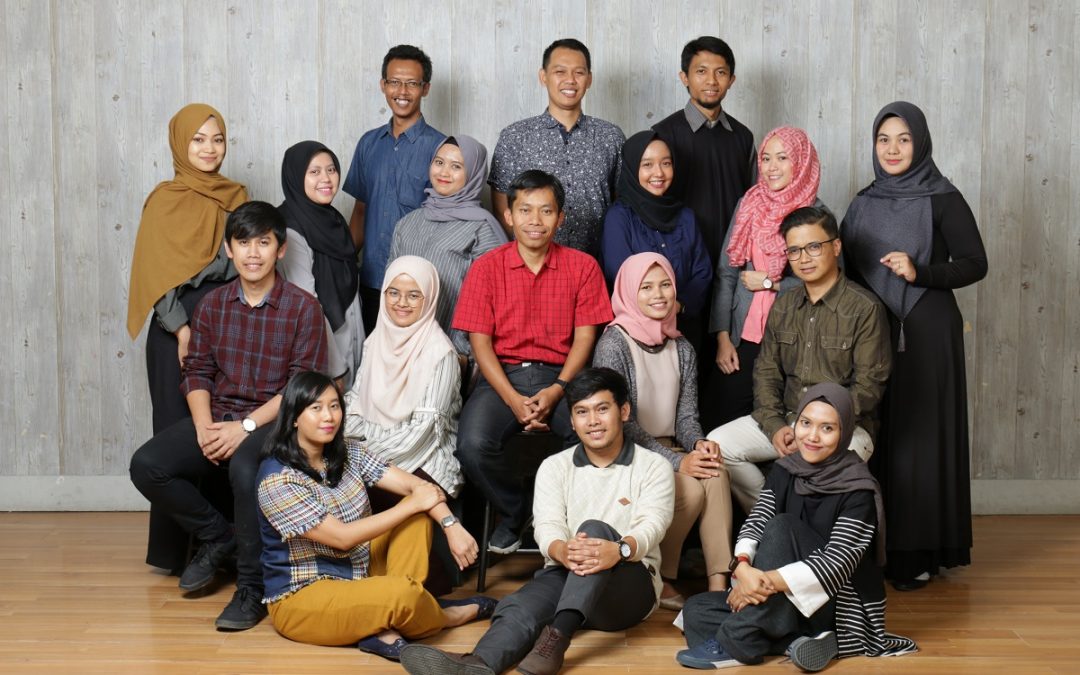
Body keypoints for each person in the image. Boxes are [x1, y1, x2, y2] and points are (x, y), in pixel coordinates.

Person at [129, 201, 329, 631]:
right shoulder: (213, 305)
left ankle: (252, 589)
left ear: (280, 249)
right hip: (219, 415)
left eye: (263, 243)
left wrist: (247, 427)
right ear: (228, 249)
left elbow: (300, 388)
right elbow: (197, 370)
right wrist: (204, 427)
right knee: (147, 465)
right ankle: (221, 538)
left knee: (243, 468)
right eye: (243, 243)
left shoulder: (304, 309)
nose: (253, 253)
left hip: (275, 423)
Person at [400, 368, 675, 675]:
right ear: (572, 421)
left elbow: (653, 525)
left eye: (602, 409)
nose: (593, 421)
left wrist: (619, 550)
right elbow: (547, 527)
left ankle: (555, 641)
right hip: (567, 575)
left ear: (623, 412)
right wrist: (562, 551)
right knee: (520, 606)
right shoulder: (554, 467)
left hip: (628, 587)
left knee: (593, 530)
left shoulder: (653, 466)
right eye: (582, 412)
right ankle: (477, 664)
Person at [841, 101, 988, 591]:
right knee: (880, 432)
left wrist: (919, 272)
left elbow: (975, 263)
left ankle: (919, 552)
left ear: (920, 142)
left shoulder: (943, 197)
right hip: (874, 330)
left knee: (920, 439)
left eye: (903, 139)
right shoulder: (862, 202)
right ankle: (875, 548)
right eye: (884, 139)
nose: (893, 149)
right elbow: (844, 269)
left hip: (928, 333)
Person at [676, 384, 916, 671]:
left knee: (782, 527)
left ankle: (737, 642)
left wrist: (759, 582)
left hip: (838, 605)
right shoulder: (787, 469)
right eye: (805, 423)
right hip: (785, 598)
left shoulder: (859, 489)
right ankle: (796, 642)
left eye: (827, 428)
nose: (812, 436)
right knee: (695, 610)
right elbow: (757, 520)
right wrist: (742, 566)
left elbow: (836, 565)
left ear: (844, 433)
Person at [257, 371, 490, 663]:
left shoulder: (347, 452)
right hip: (305, 594)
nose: (328, 416)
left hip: (359, 567)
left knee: (417, 518)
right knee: (402, 591)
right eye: (316, 408)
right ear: (294, 417)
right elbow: (342, 538)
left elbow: (417, 488)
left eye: (334, 406)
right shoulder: (277, 480)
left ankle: (387, 620)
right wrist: (410, 505)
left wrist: (450, 524)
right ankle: (444, 614)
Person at [452, 170, 614, 554]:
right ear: (508, 215)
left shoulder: (583, 266)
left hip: (564, 377)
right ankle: (517, 510)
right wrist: (512, 400)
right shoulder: (486, 267)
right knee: (472, 445)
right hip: (502, 377)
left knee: (590, 434)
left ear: (561, 218)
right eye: (525, 210)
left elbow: (585, 338)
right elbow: (480, 343)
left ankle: (562, 521)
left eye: (546, 211)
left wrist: (557, 390)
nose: (535, 220)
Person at [126, 103, 249, 575]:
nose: (209, 149)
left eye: (217, 139)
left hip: (226, 324)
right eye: (198, 139)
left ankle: (225, 545)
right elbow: (156, 276)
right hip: (175, 326)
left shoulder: (236, 197)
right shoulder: (165, 200)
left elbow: (245, 263)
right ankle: (179, 549)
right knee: (178, 430)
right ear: (180, 143)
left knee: (220, 426)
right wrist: (182, 331)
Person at [706, 207, 891, 513]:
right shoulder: (784, 305)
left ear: (836, 246)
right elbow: (766, 373)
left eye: (813, 246)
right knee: (719, 444)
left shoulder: (865, 308)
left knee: (817, 471)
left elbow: (869, 387)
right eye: (794, 250)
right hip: (788, 418)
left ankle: (798, 530)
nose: (804, 258)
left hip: (844, 427)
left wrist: (813, 428)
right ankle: (772, 519)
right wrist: (776, 426)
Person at [592, 253, 732, 609]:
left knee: (715, 471)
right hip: (628, 452)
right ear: (629, 291)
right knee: (690, 490)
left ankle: (718, 584)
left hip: (669, 447)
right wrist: (678, 462)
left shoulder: (681, 346)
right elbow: (621, 423)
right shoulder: (614, 343)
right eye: (646, 287)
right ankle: (660, 575)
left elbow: (686, 416)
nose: (659, 294)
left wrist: (698, 443)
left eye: (666, 285)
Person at [653, 36, 756, 419]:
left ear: (732, 80)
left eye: (720, 72)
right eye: (701, 71)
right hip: (684, 271)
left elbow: (755, 203)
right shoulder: (665, 134)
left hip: (733, 271)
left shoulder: (742, 137)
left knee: (729, 365)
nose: (711, 80)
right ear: (684, 77)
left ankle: (723, 442)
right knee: (684, 362)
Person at [709, 126, 823, 426]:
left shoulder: (815, 214)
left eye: (782, 158)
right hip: (743, 335)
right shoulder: (748, 204)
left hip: (793, 338)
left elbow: (826, 283)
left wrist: (772, 284)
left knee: (781, 423)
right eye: (766, 158)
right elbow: (726, 273)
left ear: (800, 161)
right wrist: (723, 337)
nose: (772, 167)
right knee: (724, 419)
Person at [488, 38, 624, 256]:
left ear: (589, 79)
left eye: (579, 73)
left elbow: (622, 203)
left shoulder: (611, 136)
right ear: (543, 77)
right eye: (560, 72)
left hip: (597, 261)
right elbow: (502, 207)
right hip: (532, 263)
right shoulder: (514, 137)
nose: (570, 80)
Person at [343, 44, 445, 333]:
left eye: (412, 83)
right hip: (371, 279)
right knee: (370, 354)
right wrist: (343, 264)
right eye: (394, 82)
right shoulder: (368, 143)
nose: (402, 91)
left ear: (425, 88)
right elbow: (360, 212)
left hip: (416, 286)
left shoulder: (440, 148)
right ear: (383, 85)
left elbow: (445, 222)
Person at [344, 255, 465, 498]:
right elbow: (355, 404)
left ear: (429, 298)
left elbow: (424, 431)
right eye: (393, 293)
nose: (401, 303)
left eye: (414, 295)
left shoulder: (441, 354)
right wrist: (343, 449)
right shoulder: (375, 342)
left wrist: (361, 461)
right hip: (369, 450)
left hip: (424, 459)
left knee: (349, 494)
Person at [389, 134, 508, 352]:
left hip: (454, 349)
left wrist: (464, 353)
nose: (444, 172)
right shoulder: (407, 223)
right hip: (400, 345)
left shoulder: (482, 229)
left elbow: (492, 303)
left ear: (473, 173)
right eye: (439, 162)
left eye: (456, 166)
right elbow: (390, 287)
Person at [599, 131, 712, 335]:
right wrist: (660, 307)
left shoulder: (686, 216)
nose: (659, 173)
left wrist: (678, 305)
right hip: (637, 331)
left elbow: (702, 271)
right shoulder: (619, 217)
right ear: (632, 168)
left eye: (666, 163)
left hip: (685, 326)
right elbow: (622, 276)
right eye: (647, 165)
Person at [278, 140, 363, 387]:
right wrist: (335, 370)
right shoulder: (289, 229)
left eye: (331, 169)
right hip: (323, 353)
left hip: (351, 336)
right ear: (296, 176)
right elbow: (308, 306)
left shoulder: (333, 219)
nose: (326, 178)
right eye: (314, 171)